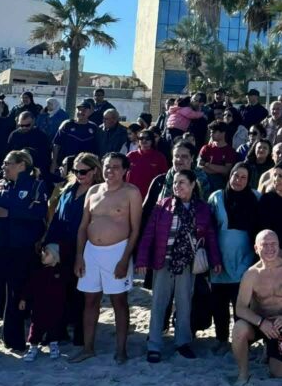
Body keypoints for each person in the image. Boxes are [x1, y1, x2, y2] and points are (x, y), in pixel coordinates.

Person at [136, 168, 223, 362]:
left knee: (184, 304)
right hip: (163, 261)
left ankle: (182, 342)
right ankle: (154, 344)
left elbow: (210, 235)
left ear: (192, 185)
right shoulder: (163, 205)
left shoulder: (202, 208)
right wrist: (142, 259)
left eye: (182, 182)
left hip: (187, 263)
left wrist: (215, 260)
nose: (177, 186)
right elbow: (149, 234)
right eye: (175, 182)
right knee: (159, 303)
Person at [71, 152, 143, 363]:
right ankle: (88, 348)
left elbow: (135, 230)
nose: (110, 171)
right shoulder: (93, 190)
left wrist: (125, 259)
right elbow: (83, 226)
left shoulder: (131, 192)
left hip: (117, 251)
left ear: (125, 170)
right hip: (91, 251)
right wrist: (79, 255)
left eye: (116, 167)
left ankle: (121, 350)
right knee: (90, 299)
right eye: (107, 166)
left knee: (118, 300)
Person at [0, 150, 48, 352]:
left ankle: (16, 340)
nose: (3, 166)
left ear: (22, 165)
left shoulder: (36, 185)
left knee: (18, 294)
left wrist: (10, 213)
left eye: (8, 163)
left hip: (23, 247)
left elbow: (39, 212)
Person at [39, 152, 101, 353]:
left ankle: (82, 335)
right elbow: (57, 218)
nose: (79, 174)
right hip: (63, 245)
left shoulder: (99, 192)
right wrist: (48, 241)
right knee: (60, 290)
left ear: (94, 170)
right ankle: (60, 331)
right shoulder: (67, 189)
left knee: (82, 292)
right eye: (76, 170)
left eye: (83, 171)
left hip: (86, 247)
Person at [230, 230, 282, 383]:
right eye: (264, 245)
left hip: (281, 323)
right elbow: (240, 308)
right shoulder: (251, 274)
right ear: (256, 248)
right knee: (239, 329)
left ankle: (270, 349)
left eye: (273, 244)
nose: (270, 248)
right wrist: (261, 322)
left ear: (279, 246)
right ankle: (243, 374)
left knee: (280, 373)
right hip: (258, 323)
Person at [208, 163, 261, 352]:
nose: (238, 180)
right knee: (219, 303)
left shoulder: (256, 198)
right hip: (219, 259)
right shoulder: (216, 197)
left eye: (243, 177)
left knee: (242, 304)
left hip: (246, 259)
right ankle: (221, 339)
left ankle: (242, 341)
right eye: (235, 176)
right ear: (229, 176)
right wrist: (213, 257)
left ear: (249, 180)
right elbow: (209, 229)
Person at [53, 100, 102, 174]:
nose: (81, 112)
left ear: (90, 112)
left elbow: (96, 148)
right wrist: (54, 162)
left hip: (85, 166)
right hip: (66, 164)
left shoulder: (94, 127)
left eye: (84, 110)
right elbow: (56, 144)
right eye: (79, 109)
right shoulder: (67, 124)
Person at [6, 110, 53, 181]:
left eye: (27, 125)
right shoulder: (14, 135)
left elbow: (46, 158)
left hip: (35, 172)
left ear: (33, 121)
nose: (24, 127)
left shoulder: (41, 136)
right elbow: (8, 154)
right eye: (21, 125)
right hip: (16, 172)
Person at [126, 129, 169, 198]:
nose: (144, 140)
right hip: (131, 195)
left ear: (152, 140)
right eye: (141, 138)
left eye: (147, 138)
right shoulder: (130, 156)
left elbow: (164, 177)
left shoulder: (159, 157)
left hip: (151, 197)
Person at [199, 121, 238, 189]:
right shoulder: (206, 148)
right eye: (210, 132)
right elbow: (199, 166)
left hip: (220, 183)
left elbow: (226, 170)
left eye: (214, 132)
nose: (211, 134)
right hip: (205, 181)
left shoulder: (230, 151)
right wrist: (217, 170)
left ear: (223, 133)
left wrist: (207, 164)